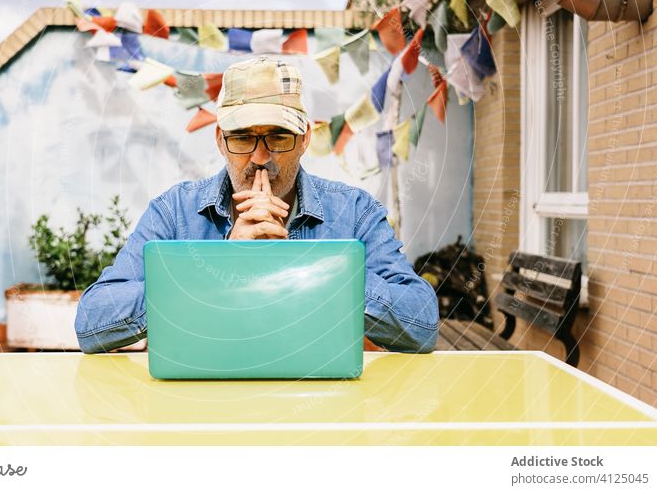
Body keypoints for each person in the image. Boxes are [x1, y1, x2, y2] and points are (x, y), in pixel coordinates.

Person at [75, 57, 439, 354]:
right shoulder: (173, 213)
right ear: (220, 140)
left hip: (317, 409)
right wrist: (216, 268)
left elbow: (421, 324)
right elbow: (92, 324)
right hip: (202, 406)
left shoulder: (354, 212)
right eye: (243, 137)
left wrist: (309, 270)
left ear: (304, 139)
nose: (260, 156)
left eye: (278, 136)